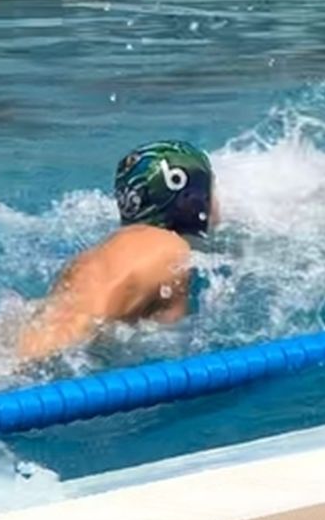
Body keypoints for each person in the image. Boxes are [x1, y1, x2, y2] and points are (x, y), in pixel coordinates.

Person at [15, 140, 217, 362]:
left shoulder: (117, 247)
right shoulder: (161, 246)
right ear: (193, 198)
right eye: (212, 189)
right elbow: (66, 325)